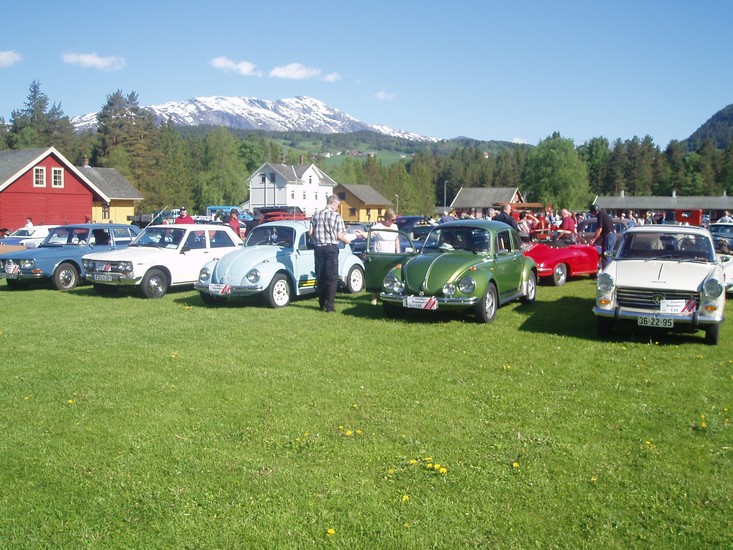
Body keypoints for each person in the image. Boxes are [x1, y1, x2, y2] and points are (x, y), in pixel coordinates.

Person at [309, 195, 361, 312]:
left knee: (321, 276)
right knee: (331, 277)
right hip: (330, 248)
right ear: (333, 204)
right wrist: (349, 239)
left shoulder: (316, 214)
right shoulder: (336, 216)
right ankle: (329, 306)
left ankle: (321, 303)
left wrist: (317, 239)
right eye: (337, 205)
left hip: (318, 248)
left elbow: (310, 233)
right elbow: (340, 236)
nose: (337, 207)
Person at [368, 208, 401, 305]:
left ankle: (390, 295)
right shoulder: (378, 226)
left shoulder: (395, 227)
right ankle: (374, 297)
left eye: (395, 220)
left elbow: (396, 240)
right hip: (379, 255)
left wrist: (398, 253)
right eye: (392, 220)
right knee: (377, 275)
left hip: (391, 255)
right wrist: (361, 233)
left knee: (391, 275)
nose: (394, 222)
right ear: (386, 218)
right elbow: (369, 234)